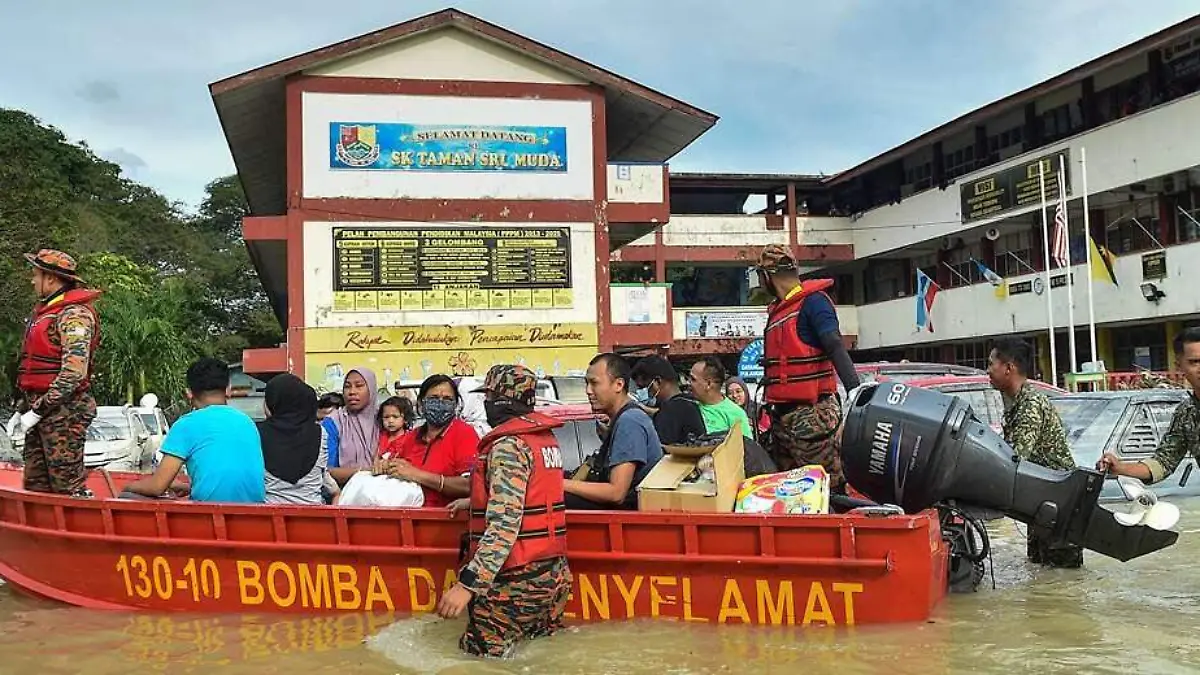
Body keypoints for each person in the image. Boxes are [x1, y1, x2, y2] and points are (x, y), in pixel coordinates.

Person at [436, 365, 571, 659]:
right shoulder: (544, 439)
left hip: (516, 581)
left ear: (500, 399)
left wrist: (467, 585)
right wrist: (474, 503)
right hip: (553, 575)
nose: (485, 404)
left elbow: (504, 525)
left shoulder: (509, 445)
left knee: (479, 660)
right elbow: (529, 496)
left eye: (489, 396)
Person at [754, 244, 860, 493]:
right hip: (782, 418)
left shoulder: (814, 302)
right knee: (788, 492)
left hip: (814, 416)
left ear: (767, 276)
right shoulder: (779, 310)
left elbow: (833, 343)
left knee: (826, 488)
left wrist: (855, 389)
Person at [987, 337, 1081, 568]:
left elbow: (1014, 460)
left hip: (1060, 505)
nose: (988, 370)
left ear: (1009, 368)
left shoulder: (1030, 405)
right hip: (1043, 503)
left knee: (1060, 581)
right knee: (1041, 574)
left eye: (991, 364)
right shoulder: (1017, 405)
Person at [16, 249, 101, 497]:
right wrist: (24, 407)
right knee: (36, 482)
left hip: (65, 411)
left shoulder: (73, 315)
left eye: (36, 275)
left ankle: (80, 532)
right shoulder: (45, 312)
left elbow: (74, 374)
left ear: (51, 279)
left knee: (66, 484)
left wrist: (38, 410)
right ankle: (41, 535)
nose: (33, 281)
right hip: (40, 408)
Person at [123, 358, 265, 503]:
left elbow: (157, 487)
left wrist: (127, 487)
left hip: (209, 516)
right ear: (228, 389)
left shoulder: (186, 424)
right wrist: (189, 487)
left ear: (189, 393)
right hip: (254, 514)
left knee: (126, 497)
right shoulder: (247, 422)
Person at [1098, 327, 1200, 486]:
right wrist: (1120, 467)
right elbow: (1163, 463)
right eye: (1194, 362)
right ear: (1179, 366)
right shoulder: (1187, 413)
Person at [564, 353, 663, 510]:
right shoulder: (624, 419)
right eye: (586, 384)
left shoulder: (630, 421)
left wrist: (560, 484)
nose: (588, 391)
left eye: (594, 383)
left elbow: (616, 493)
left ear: (618, 385)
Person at [375, 375, 477, 508]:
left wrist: (417, 475)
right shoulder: (411, 437)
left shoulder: (464, 434)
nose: (440, 403)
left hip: (446, 520)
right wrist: (385, 467)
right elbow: (398, 469)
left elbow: (470, 485)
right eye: (433, 398)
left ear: (456, 405)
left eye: (447, 399)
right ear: (421, 403)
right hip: (408, 517)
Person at [259, 373, 339, 506]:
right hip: (312, 514)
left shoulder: (257, 432)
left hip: (270, 514)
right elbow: (322, 473)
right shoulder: (320, 432)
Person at [323, 367, 380, 485]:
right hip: (345, 495)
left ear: (371, 389)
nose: (352, 392)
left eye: (359, 386)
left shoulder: (385, 419)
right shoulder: (333, 422)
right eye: (347, 386)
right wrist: (366, 472)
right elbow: (326, 471)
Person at [631, 355, 705, 445]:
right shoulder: (690, 402)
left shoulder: (670, 411)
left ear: (657, 382)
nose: (641, 392)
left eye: (643, 387)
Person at [688, 357, 753, 439]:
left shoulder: (736, 414)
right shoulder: (686, 407)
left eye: (693, 379)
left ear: (708, 384)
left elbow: (746, 448)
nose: (689, 383)